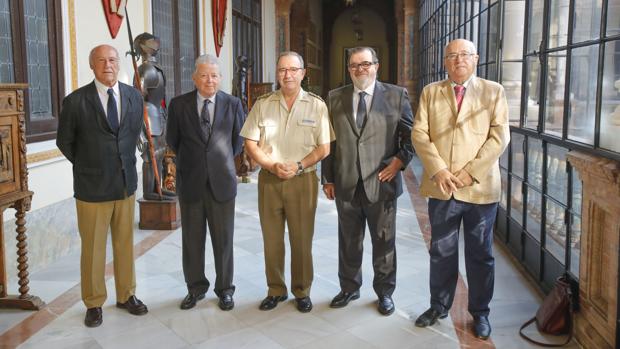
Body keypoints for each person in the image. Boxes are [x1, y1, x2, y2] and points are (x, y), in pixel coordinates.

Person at [411, 38, 510, 340]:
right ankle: (439, 305)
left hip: (479, 189)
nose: (458, 60)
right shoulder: (431, 92)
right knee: (441, 251)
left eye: (464, 55)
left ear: (476, 58)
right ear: (444, 62)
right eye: (451, 56)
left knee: (480, 253)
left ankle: (480, 313)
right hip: (442, 187)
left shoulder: (494, 92)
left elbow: (499, 137)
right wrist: (439, 169)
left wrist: (471, 172)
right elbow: (419, 132)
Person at [56, 44, 148, 328]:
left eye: (112, 59)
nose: (108, 65)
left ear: (118, 63)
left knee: (124, 244)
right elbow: (65, 142)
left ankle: (126, 295)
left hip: (125, 184)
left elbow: (132, 135)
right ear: (92, 65)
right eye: (101, 60)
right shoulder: (75, 102)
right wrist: (89, 165)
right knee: (93, 248)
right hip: (92, 188)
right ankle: (94, 302)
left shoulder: (133, 96)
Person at [321, 47, 414, 316]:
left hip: (381, 183)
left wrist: (398, 162)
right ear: (348, 69)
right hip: (346, 183)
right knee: (349, 241)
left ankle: (384, 293)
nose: (360, 69)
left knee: (384, 243)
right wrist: (327, 177)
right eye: (354, 65)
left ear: (376, 66)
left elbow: (411, 137)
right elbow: (329, 141)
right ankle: (349, 287)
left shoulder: (396, 96)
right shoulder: (335, 97)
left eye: (365, 64)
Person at [240, 51, 334, 313]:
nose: (287, 74)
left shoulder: (317, 105)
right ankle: (276, 290)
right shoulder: (263, 104)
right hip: (269, 181)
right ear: (277, 73)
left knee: (301, 240)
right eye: (282, 70)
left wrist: (300, 165)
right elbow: (249, 142)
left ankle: (302, 290)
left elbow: (324, 147)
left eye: (293, 69)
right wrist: (270, 165)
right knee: (272, 240)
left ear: (303, 73)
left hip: (302, 182)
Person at [166, 54, 244, 311]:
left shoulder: (233, 103)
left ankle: (225, 289)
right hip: (191, 182)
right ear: (194, 78)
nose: (209, 80)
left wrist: (218, 162)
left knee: (224, 241)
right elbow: (174, 141)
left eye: (214, 75)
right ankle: (195, 288)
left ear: (220, 78)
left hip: (222, 183)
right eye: (204, 75)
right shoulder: (178, 105)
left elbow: (238, 141)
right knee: (192, 241)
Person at [133, 32, 175, 200]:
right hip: (147, 117)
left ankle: (158, 187)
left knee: (159, 153)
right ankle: (149, 192)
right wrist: (141, 134)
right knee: (150, 157)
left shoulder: (155, 69)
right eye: (151, 42)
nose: (156, 44)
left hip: (158, 115)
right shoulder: (145, 70)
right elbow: (137, 101)